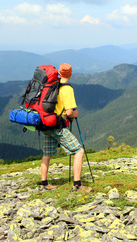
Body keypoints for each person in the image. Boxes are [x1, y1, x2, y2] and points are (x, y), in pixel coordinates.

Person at [40, 63, 86, 192]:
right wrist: (75, 114)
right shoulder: (67, 89)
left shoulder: (51, 85)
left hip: (46, 123)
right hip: (57, 126)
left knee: (47, 153)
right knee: (79, 151)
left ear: (59, 73)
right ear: (70, 74)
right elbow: (70, 112)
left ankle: (44, 183)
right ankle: (77, 185)